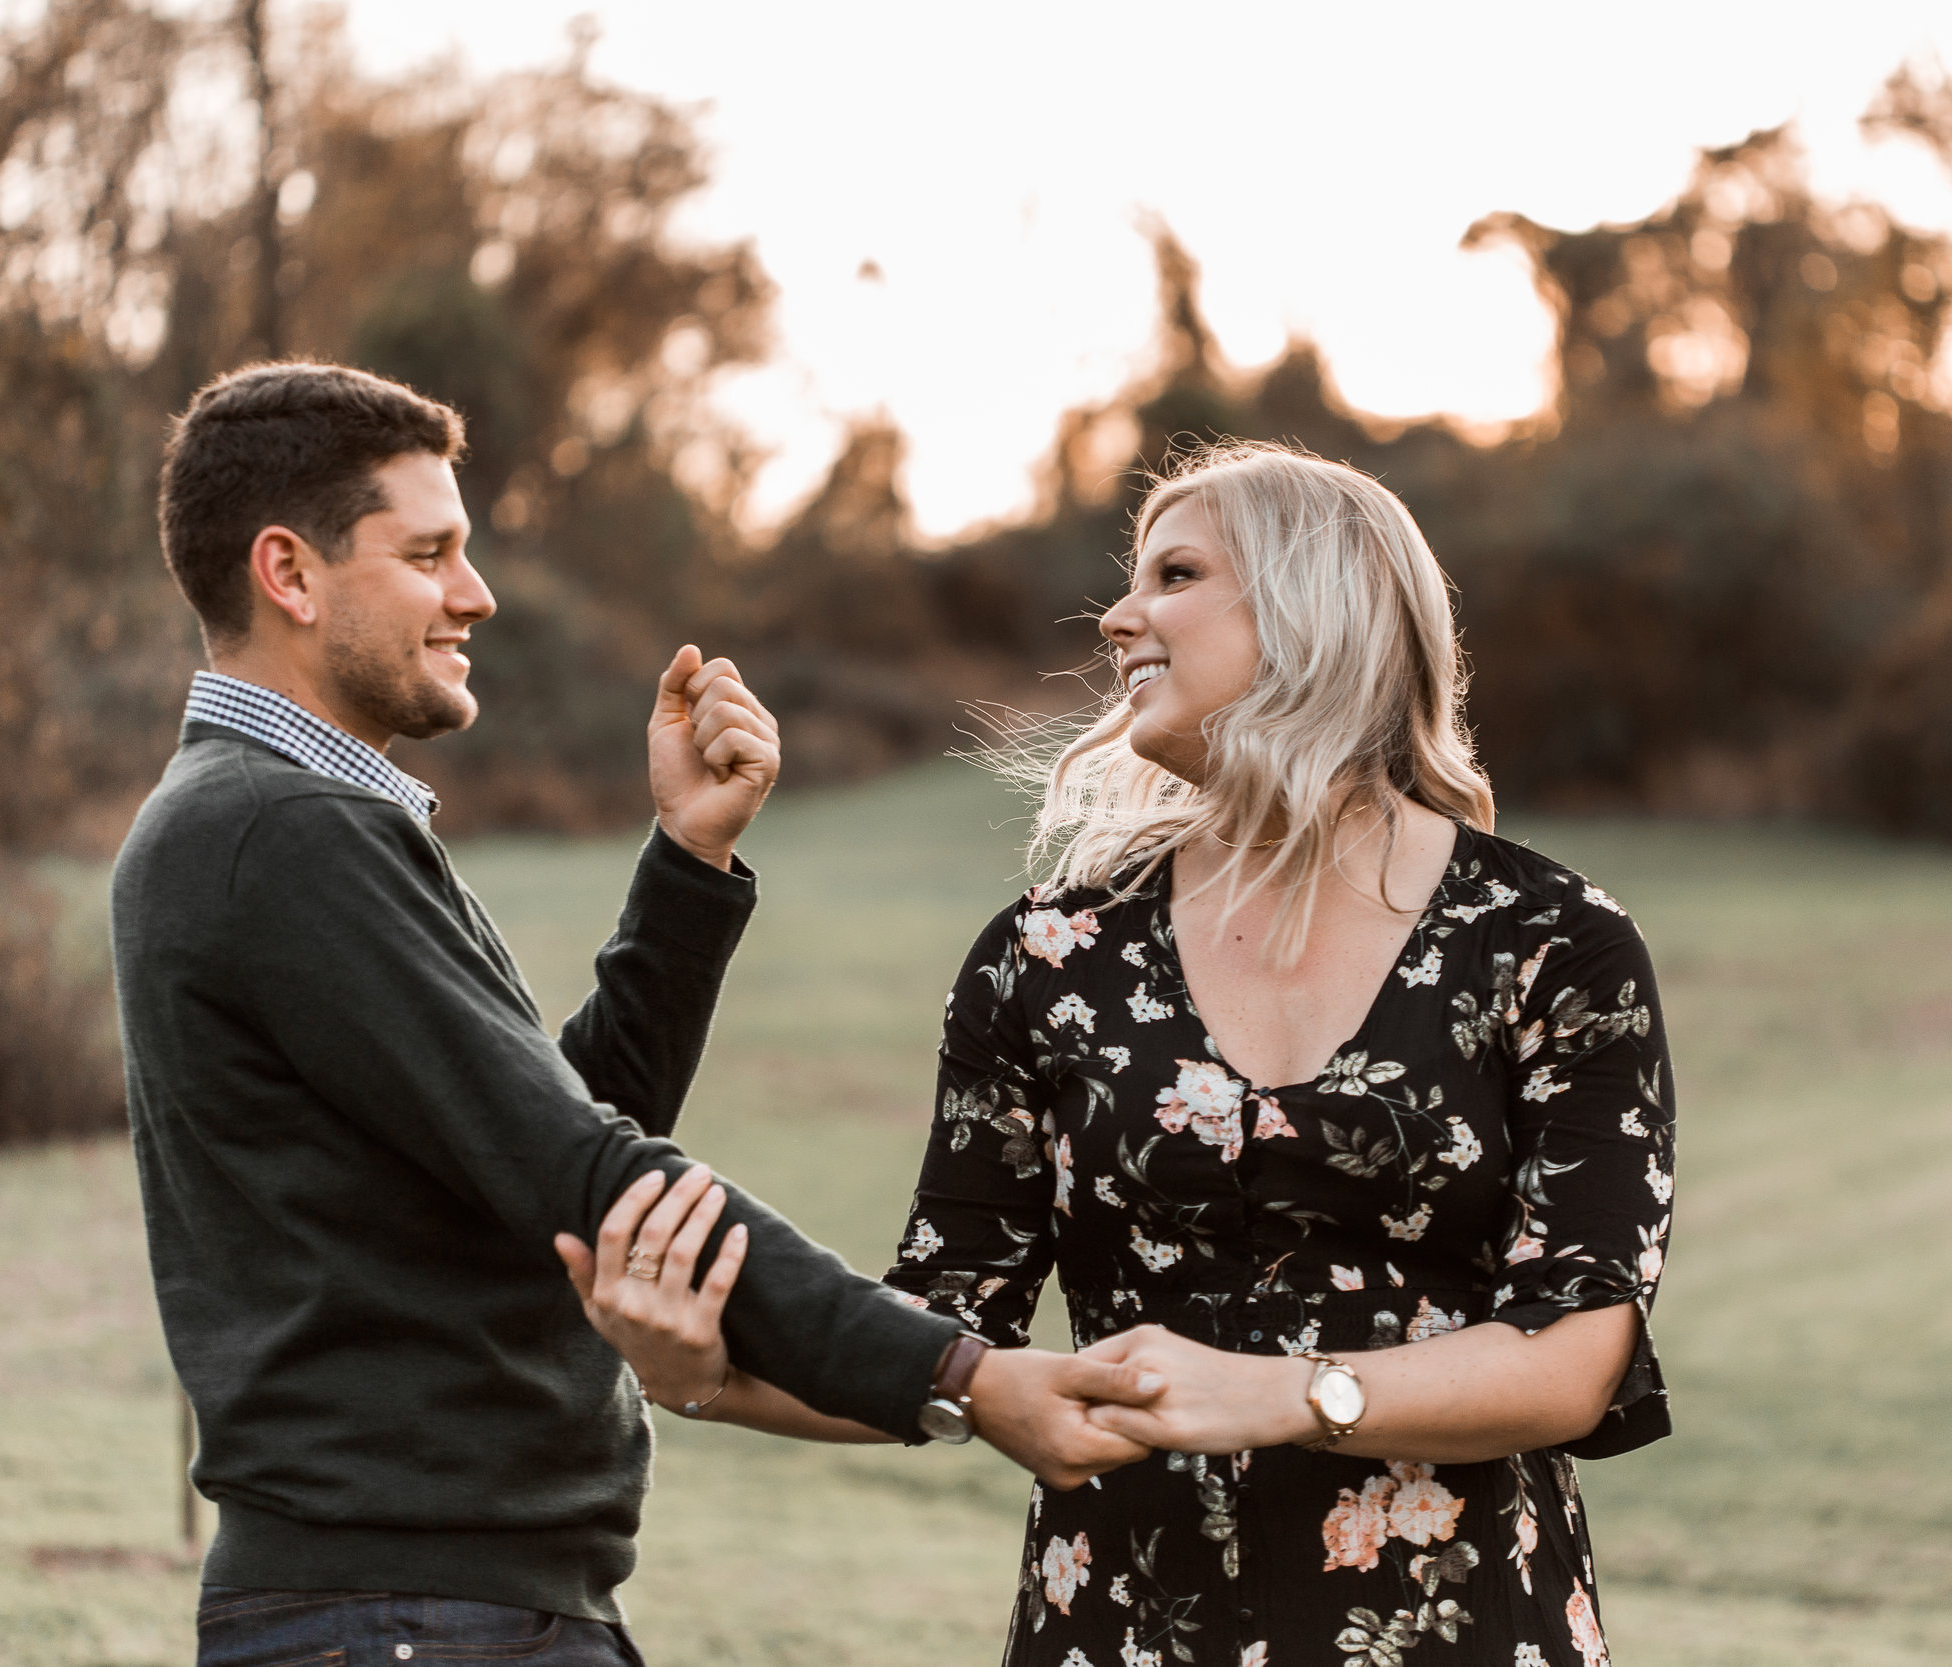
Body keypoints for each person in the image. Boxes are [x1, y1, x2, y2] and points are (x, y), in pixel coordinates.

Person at [113, 361, 1159, 1667]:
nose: (474, 593)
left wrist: (689, 861)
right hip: (409, 1614)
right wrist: (965, 1372)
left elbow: (540, 1148)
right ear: (290, 571)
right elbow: (587, 1169)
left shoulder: (272, 820)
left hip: (429, 1607)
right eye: (430, 551)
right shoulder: (277, 830)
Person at [571, 440, 1676, 1666]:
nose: (1117, 616)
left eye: (1175, 573)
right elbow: (943, 1327)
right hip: (1118, 1628)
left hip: (1463, 1630)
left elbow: (1575, 1353)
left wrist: (1284, 1391)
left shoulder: (1551, 945)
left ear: (1317, 610)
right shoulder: (1046, 960)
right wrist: (703, 1375)